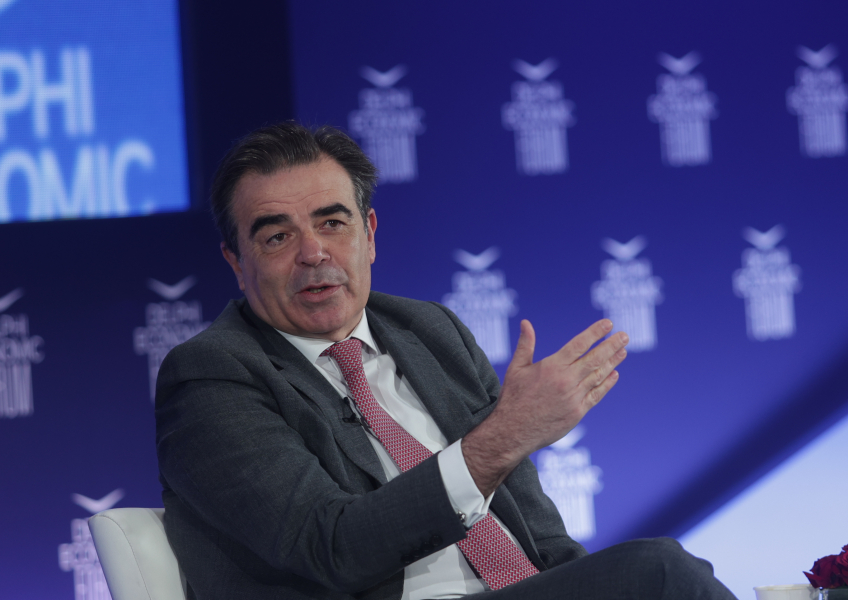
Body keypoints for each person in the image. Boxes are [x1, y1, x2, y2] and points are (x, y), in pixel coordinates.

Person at [155, 121, 737, 600]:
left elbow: (539, 540)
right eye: (277, 238)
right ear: (236, 262)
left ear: (369, 234)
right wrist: (501, 440)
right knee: (660, 573)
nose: (313, 253)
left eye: (332, 223)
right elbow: (332, 547)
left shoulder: (430, 332)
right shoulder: (211, 377)